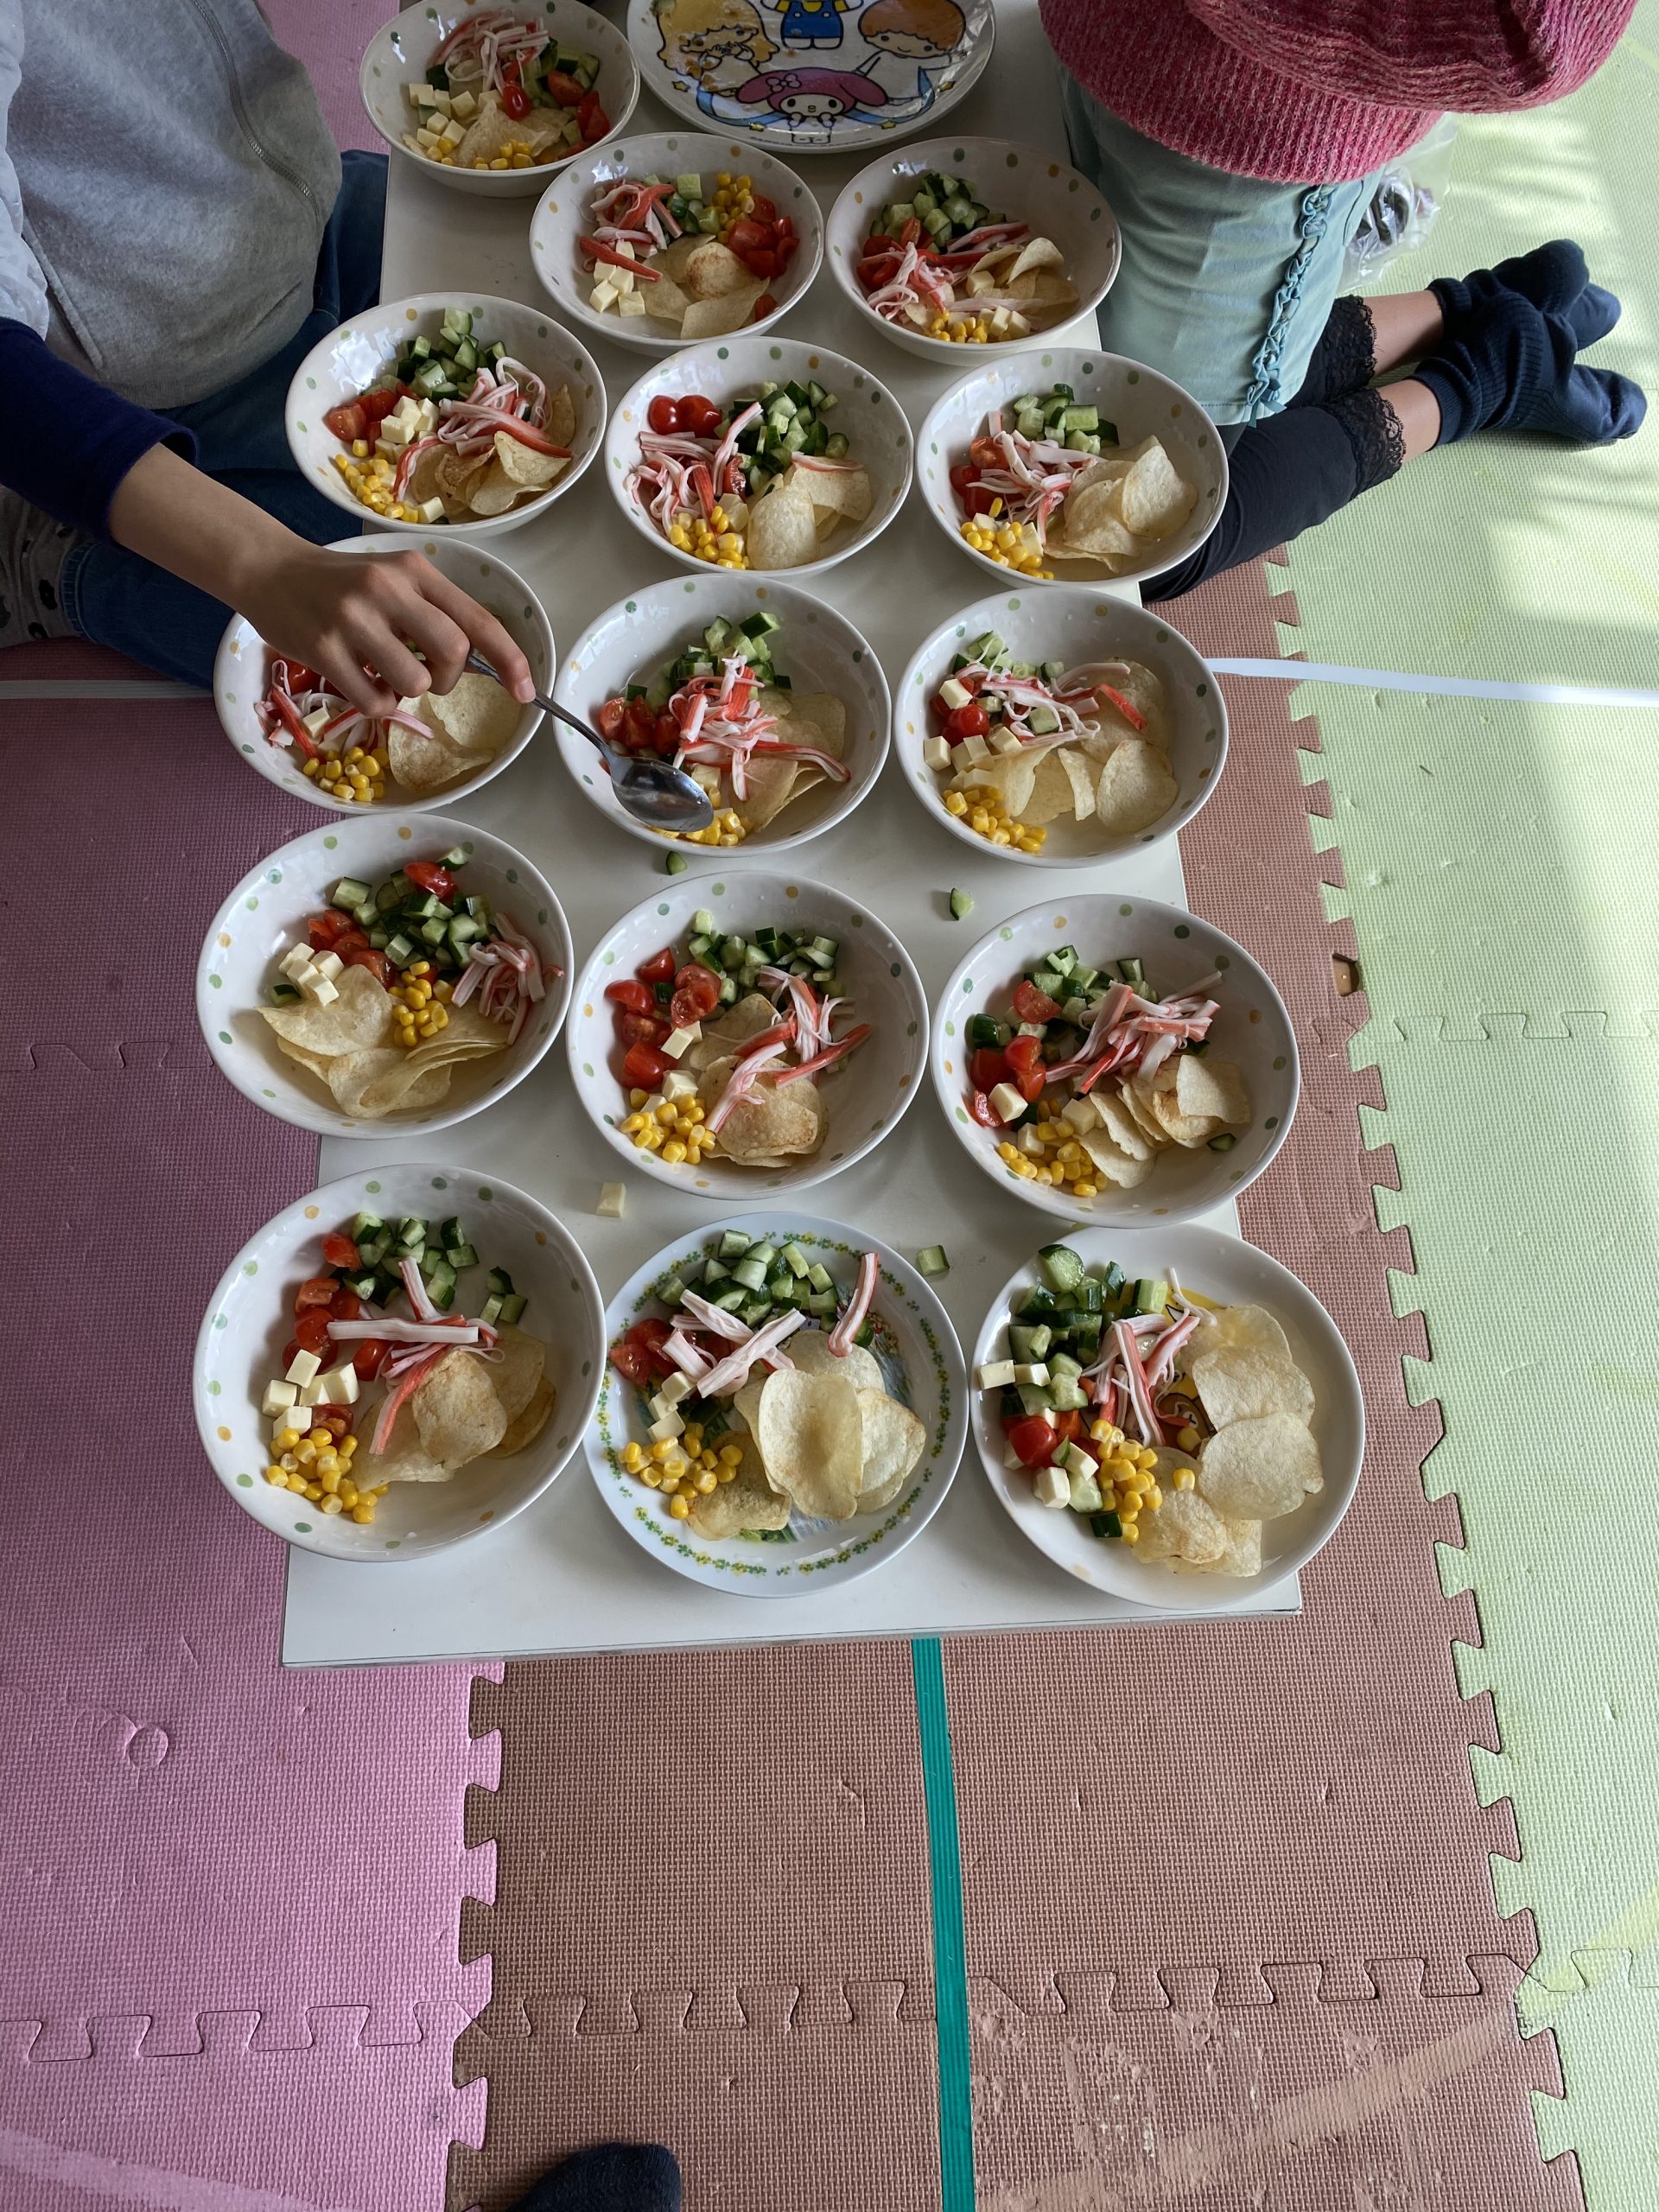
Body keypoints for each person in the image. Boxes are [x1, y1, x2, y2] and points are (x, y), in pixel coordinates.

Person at [0, 0, 535, 715]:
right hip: (175, 372)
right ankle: (54, 558)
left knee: (533, 285)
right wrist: (270, 566)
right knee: (395, 634)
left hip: (315, 207)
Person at [1039, 0, 1646, 599]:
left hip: (1244, 127)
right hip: (1115, 49)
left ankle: (1482, 381)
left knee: (1153, 547)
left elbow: (1536, 38)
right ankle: (1472, 310)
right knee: (1106, 361)